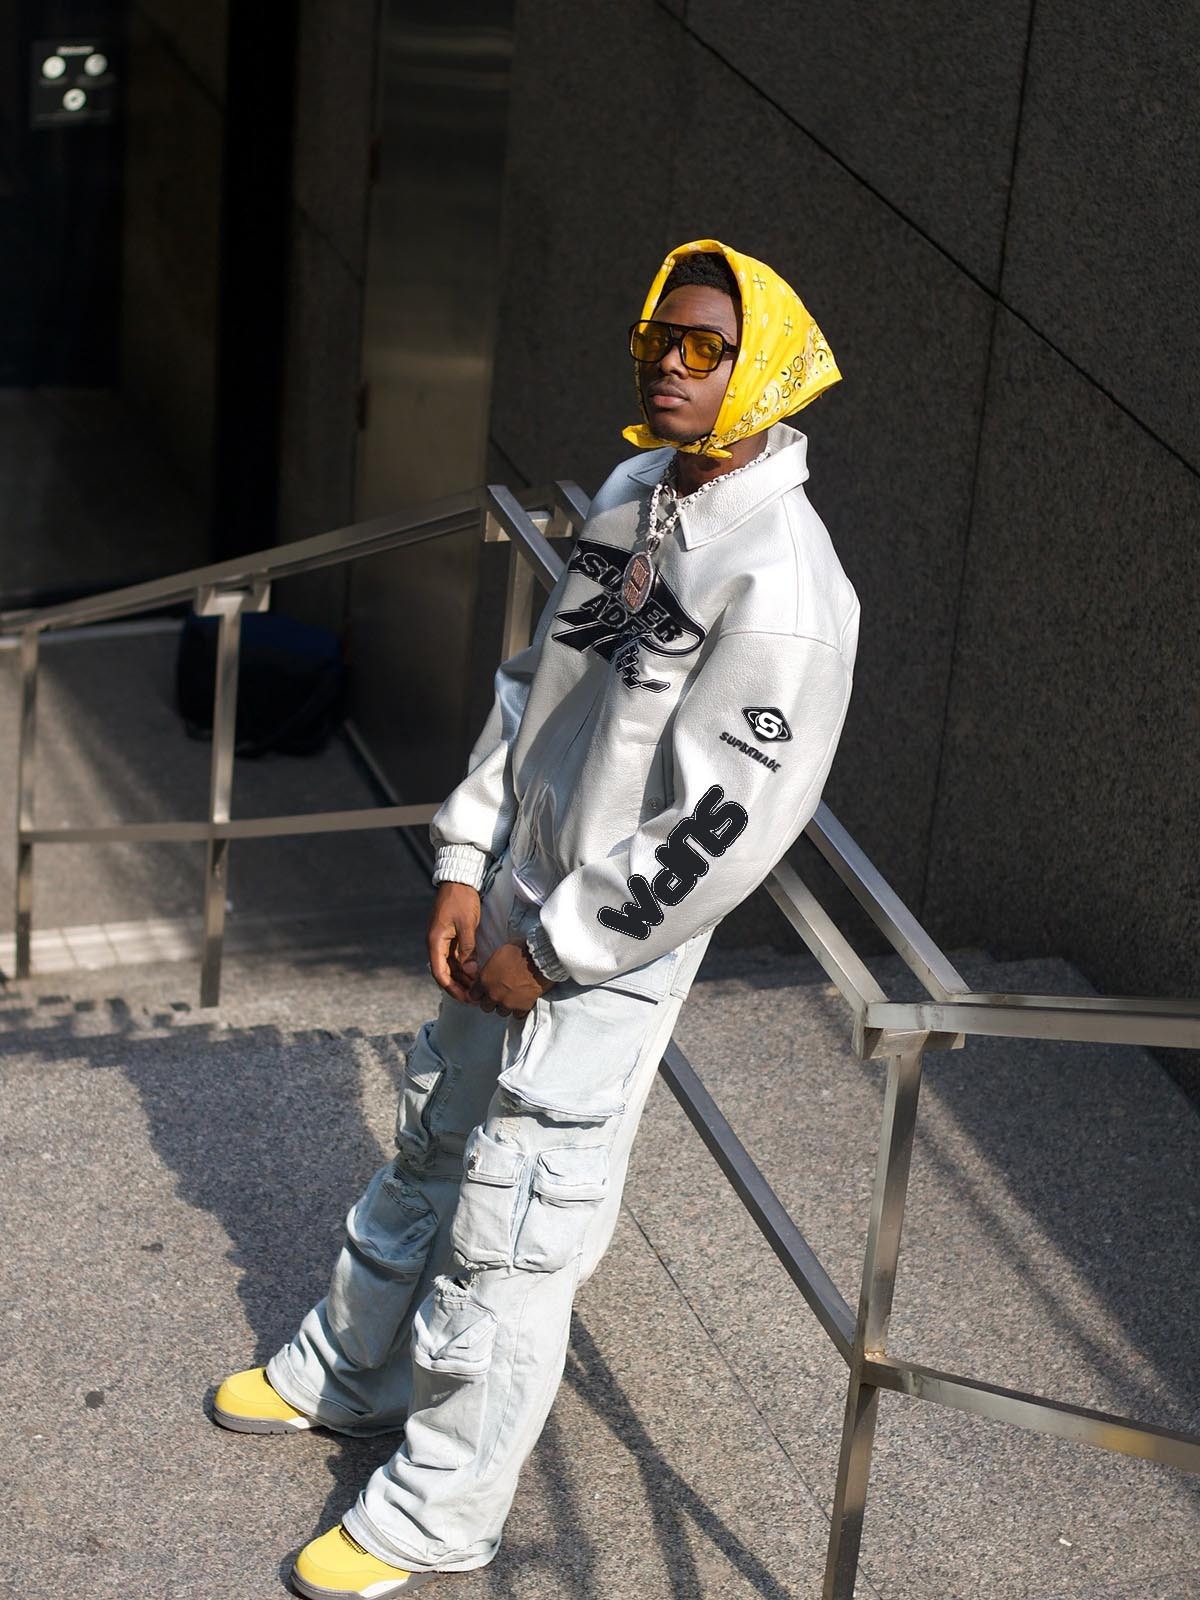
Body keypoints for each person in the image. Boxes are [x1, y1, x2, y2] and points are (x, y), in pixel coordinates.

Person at [212, 238, 860, 1598]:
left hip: (602, 960)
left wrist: (560, 951)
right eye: (659, 334)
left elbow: (723, 823)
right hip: (507, 892)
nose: (669, 363)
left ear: (766, 372)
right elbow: (535, 688)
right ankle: (353, 1370)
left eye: (705, 347)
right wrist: (464, 859)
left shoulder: (787, 589)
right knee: (432, 1138)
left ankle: (435, 1514)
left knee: (514, 1232)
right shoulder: (635, 494)